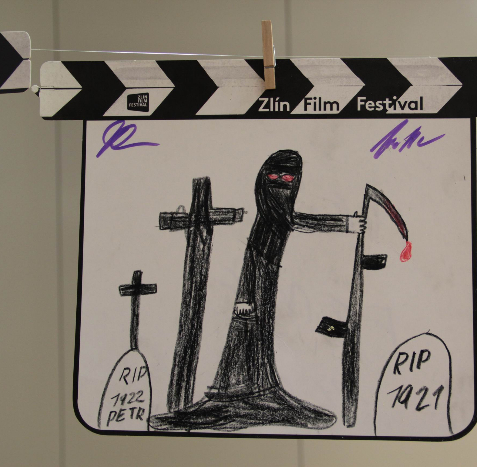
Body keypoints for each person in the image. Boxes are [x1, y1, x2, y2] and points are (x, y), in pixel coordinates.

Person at [151, 149, 364, 431]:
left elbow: (289, 221)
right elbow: (285, 230)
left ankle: (258, 389)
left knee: (258, 335)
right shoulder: (270, 215)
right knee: (246, 334)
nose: (280, 182)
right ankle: (236, 393)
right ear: (263, 180)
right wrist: (344, 224)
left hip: (267, 278)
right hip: (255, 285)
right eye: (273, 176)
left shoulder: (276, 215)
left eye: (287, 177)